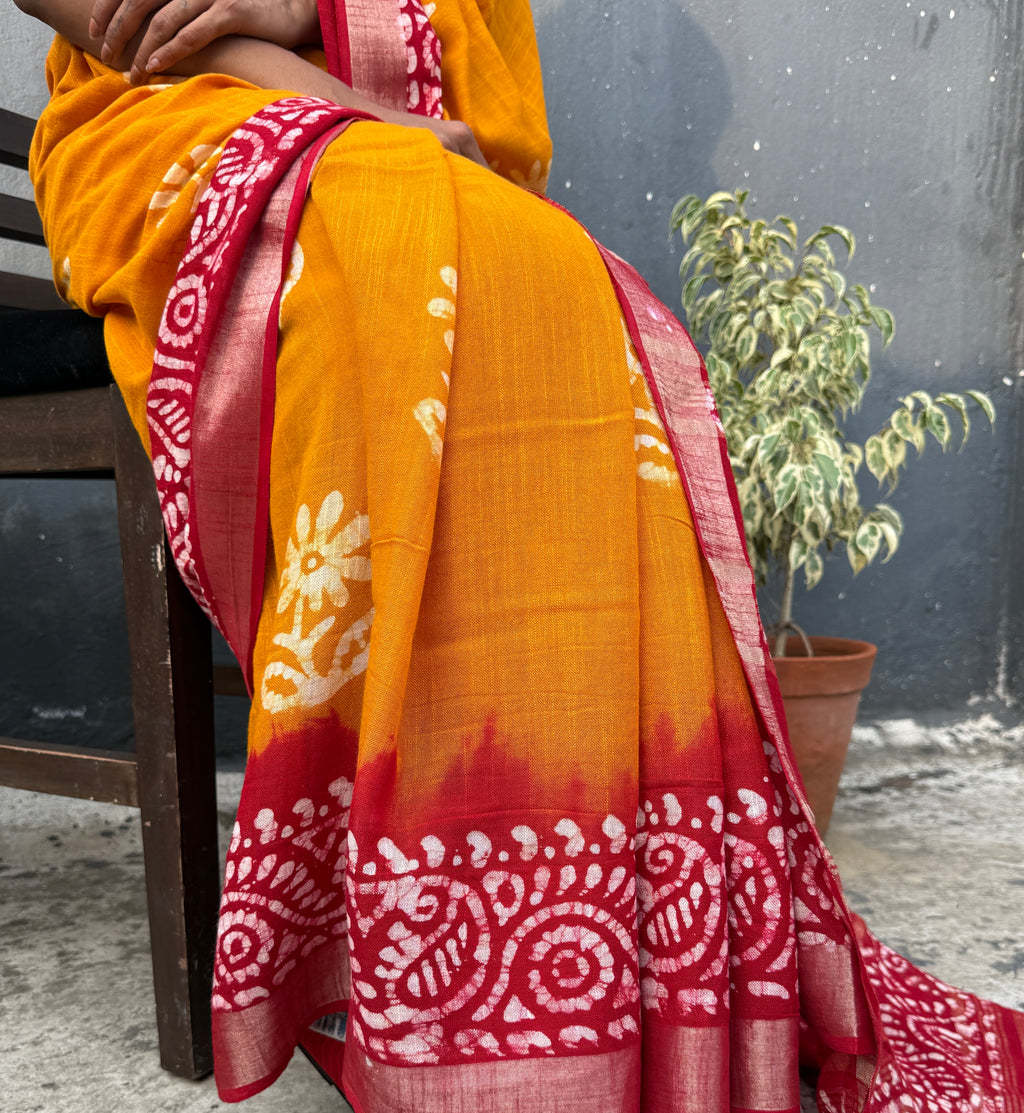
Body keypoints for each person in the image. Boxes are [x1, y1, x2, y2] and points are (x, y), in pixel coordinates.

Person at [14, 0, 1024, 1108]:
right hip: (174, 119)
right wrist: (308, 79)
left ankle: (602, 914)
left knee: (567, 283)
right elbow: (117, 19)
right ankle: (442, 939)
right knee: (406, 234)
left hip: (381, 144)